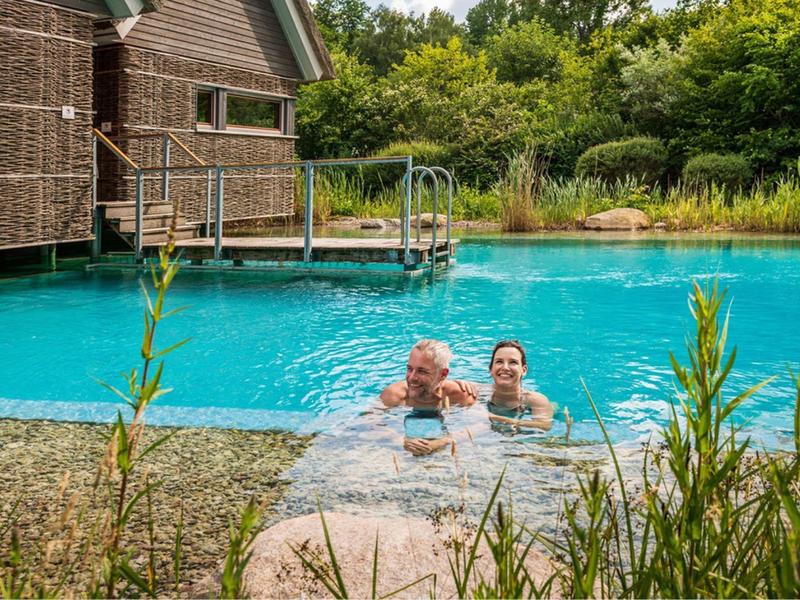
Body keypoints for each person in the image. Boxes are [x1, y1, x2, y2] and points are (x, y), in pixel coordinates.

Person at [380, 339, 476, 455]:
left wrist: (443, 441)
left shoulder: (459, 395)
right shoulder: (394, 395)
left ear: (443, 374)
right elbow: (368, 423)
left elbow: (481, 424)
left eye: (422, 371)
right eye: (409, 369)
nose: (411, 378)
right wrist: (399, 439)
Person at [486, 339, 554, 431]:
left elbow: (544, 426)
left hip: (532, 408)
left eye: (513, 362)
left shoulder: (536, 400)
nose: (505, 367)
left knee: (554, 407)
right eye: (499, 362)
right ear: (490, 369)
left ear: (524, 370)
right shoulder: (480, 393)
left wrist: (494, 417)